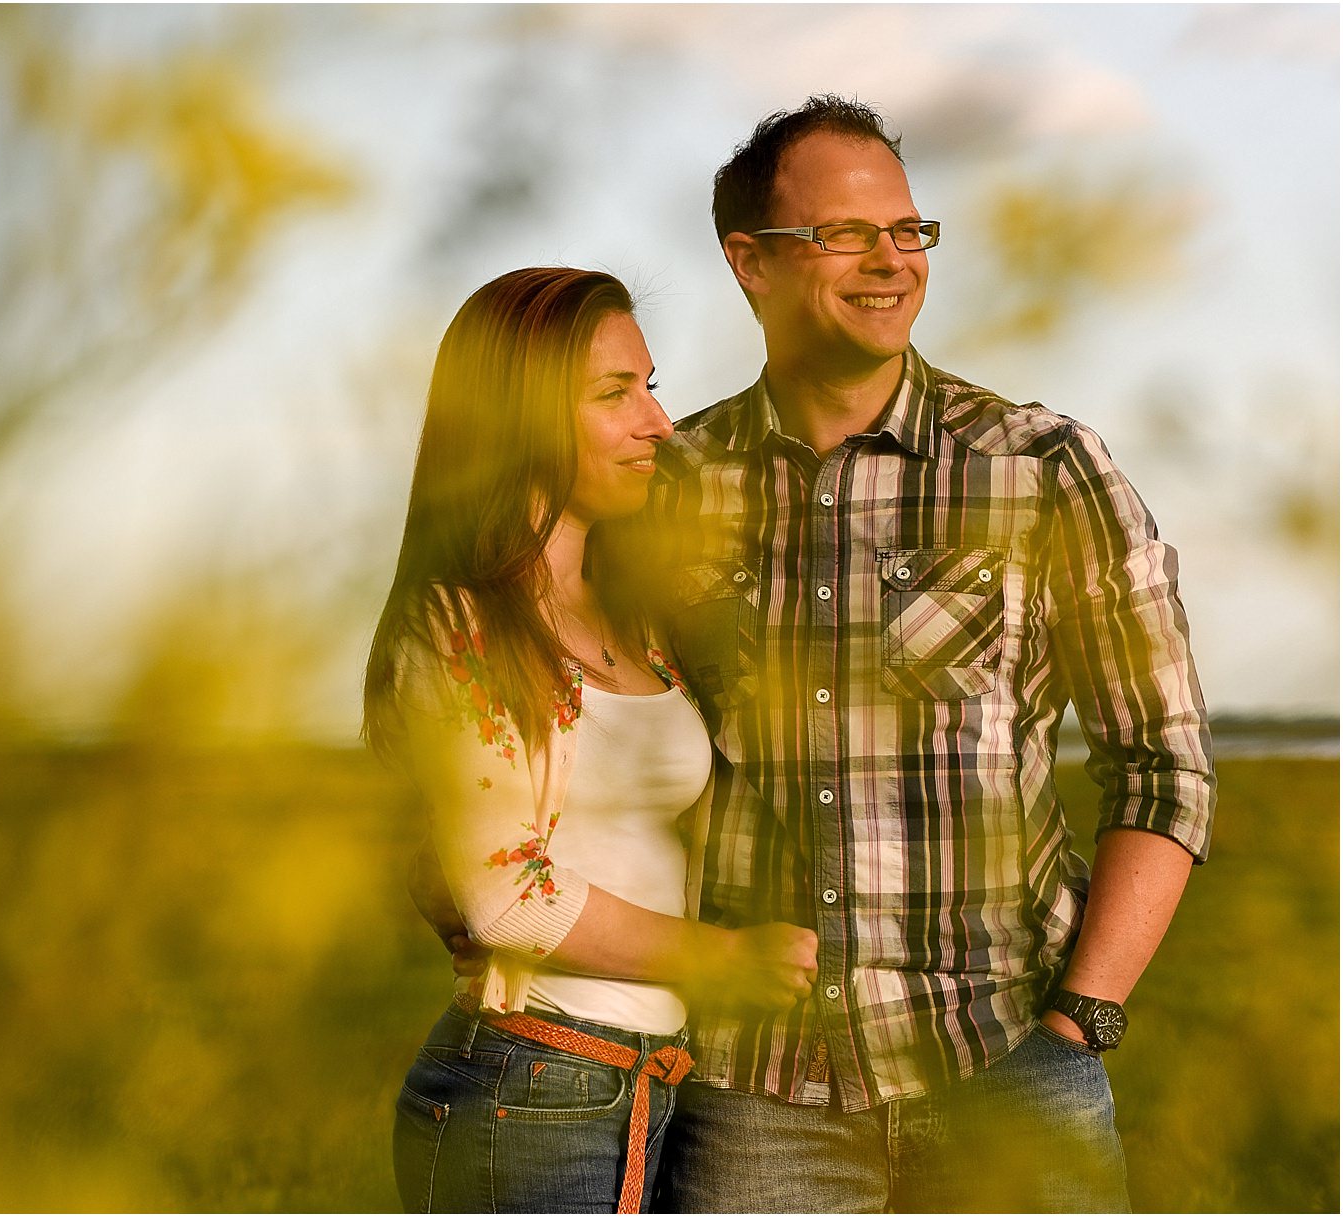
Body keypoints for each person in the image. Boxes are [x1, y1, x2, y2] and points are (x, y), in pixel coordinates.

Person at [605, 96, 1214, 1212]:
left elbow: (1163, 761)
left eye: (908, 231)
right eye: (844, 233)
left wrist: (1081, 1018)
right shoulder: (666, 486)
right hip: (755, 1097)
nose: (889, 261)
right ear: (749, 261)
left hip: (1007, 1069)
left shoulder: (1045, 467)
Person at [363, 267, 821, 1214]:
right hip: (530, 1090)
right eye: (616, 394)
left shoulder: (634, 620)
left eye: (650, 386)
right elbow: (505, 897)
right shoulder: (457, 625)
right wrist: (722, 959)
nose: (657, 422)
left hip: (648, 1086)